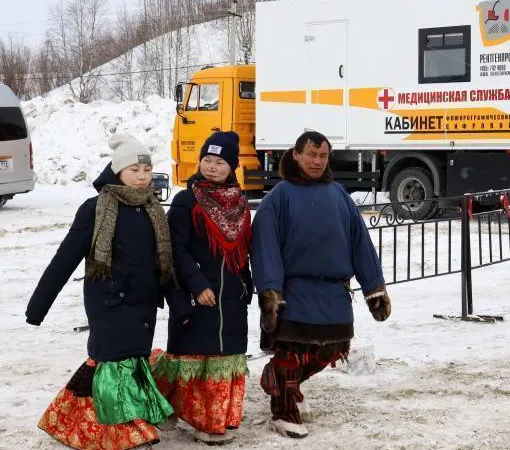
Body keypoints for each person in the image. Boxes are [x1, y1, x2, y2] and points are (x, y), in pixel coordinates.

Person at [25, 134, 177, 450]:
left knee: (130, 362)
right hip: (109, 302)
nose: (141, 176)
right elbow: (64, 259)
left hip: (144, 305)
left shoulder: (152, 209)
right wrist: (37, 307)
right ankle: (125, 432)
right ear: (118, 170)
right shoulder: (95, 209)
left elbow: (164, 264)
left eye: (147, 170)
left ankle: (75, 421)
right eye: (134, 169)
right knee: (114, 363)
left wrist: (181, 305)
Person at [250, 131, 392, 438]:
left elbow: (360, 242)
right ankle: (283, 408)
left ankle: (279, 380)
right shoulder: (278, 197)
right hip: (294, 291)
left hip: (333, 291)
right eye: (311, 155)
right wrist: (270, 292)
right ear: (296, 155)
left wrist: (374, 288)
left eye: (323, 156)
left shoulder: (339, 194)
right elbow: (265, 246)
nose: (317, 161)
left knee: (331, 349)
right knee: (292, 353)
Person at [150, 131, 253, 445]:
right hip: (198, 295)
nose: (211, 167)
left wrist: (247, 282)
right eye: (207, 160)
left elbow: (243, 248)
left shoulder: (240, 201)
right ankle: (194, 417)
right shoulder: (187, 200)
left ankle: (217, 418)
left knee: (223, 358)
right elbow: (174, 248)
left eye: (219, 162)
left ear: (231, 166)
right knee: (193, 358)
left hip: (231, 295)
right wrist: (196, 285)